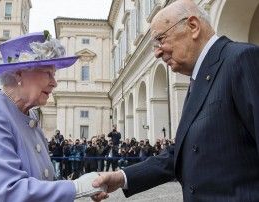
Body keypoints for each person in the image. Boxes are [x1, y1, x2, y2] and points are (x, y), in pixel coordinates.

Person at [92, 0, 259, 201]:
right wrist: (122, 177)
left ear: (193, 26)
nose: (157, 52)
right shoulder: (199, 77)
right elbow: (182, 152)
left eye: (161, 39)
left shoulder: (241, 59)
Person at [0, 31, 106, 201]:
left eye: (54, 74)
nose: (54, 82)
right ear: (19, 73)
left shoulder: (30, 115)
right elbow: (8, 191)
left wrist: (85, 185)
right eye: (47, 73)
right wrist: (78, 187)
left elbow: (43, 179)